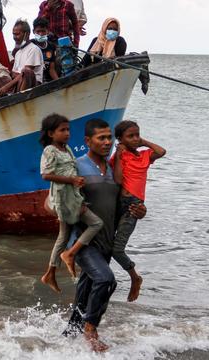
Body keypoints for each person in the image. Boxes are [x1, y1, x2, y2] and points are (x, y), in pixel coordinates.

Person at [62, 118, 147, 352]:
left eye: (109, 137)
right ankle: (91, 329)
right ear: (88, 141)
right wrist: (72, 208)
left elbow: (119, 205)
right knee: (106, 280)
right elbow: (51, 202)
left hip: (106, 242)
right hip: (82, 241)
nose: (107, 142)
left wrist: (139, 211)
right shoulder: (76, 166)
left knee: (85, 293)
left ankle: (68, 339)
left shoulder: (114, 170)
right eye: (101, 138)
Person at [38, 114, 103, 293]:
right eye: (62, 130)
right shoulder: (50, 150)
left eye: (68, 129)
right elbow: (46, 175)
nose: (67, 133)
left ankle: (50, 272)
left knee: (63, 235)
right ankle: (69, 254)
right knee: (96, 223)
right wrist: (72, 180)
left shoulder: (67, 149)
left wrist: (77, 183)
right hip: (64, 198)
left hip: (72, 195)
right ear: (51, 133)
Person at [111, 120, 166, 301]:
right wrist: (119, 155)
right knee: (107, 244)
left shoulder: (144, 156)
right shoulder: (120, 156)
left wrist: (144, 142)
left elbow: (161, 152)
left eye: (137, 135)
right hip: (119, 203)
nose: (135, 139)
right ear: (120, 139)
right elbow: (118, 180)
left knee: (117, 249)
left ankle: (135, 277)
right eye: (130, 136)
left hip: (134, 206)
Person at [0, 20, 43, 96]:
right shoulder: (18, 53)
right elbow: (14, 74)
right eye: (13, 34)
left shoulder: (34, 49)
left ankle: (20, 98)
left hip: (33, 85)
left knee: (26, 72)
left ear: (27, 34)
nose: (15, 37)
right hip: (19, 82)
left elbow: (25, 73)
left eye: (17, 34)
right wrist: (18, 75)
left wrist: (6, 87)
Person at [31, 18, 59, 82]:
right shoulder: (30, 45)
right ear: (33, 31)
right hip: (34, 80)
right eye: (38, 31)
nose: (40, 34)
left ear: (48, 31)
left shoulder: (51, 46)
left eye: (43, 31)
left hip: (47, 79)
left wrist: (58, 82)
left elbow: (51, 69)